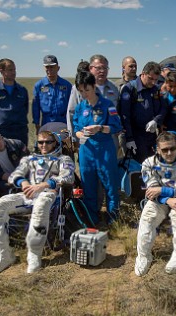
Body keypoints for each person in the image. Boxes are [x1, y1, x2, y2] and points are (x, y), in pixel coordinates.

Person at [0, 131, 75, 275]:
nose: (44, 145)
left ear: (55, 143)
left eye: (48, 142)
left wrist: (44, 185)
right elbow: (15, 175)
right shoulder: (31, 159)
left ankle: (34, 255)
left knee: (41, 204)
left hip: (50, 195)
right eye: (41, 142)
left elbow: (68, 177)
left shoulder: (64, 160)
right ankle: (4, 255)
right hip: (28, 194)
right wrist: (24, 182)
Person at [134, 132, 176, 276]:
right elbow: (152, 191)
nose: (169, 153)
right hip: (163, 199)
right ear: (157, 149)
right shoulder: (148, 164)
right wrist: (167, 199)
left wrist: (163, 190)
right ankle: (144, 256)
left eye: (172, 148)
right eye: (164, 150)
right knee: (148, 216)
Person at [73, 71, 123, 225]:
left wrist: (100, 128)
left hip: (105, 150)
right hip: (86, 151)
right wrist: (79, 134)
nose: (84, 94)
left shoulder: (107, 105)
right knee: (88, 186)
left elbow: (116, 127)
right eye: (80, 91)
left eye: (86, 90)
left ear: (94, 87)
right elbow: (76, 126)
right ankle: (91, 220)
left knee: (110, 186)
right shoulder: (80, 107)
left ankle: (112, 221)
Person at [119, 61, 167, 163]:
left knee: (153, 165)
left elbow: (163, 108)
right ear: (143, 74)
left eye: (156, 79)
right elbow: (124, 115)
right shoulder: (130, 89)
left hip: (151, 135)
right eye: (150, 78)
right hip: (135, 136)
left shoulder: (155, 90)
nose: (153, 82)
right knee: (139, 168)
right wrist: (129, 138)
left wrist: (156, 121)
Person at [67, 55, 120, 144]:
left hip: (109, 140)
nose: (102, 71)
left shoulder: (114, 87)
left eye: (105, 68)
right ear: (90, 68)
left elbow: (117, 111)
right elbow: (71, 113)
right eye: (98, 68)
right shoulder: (78, 88)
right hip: (86, 140)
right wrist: (73, 138)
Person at [0, 58, 30, 146]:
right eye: (10, 70)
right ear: (1, 71)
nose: (13, 72)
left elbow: (26, 108)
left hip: (20, 131)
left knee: (22, 158)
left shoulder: (22, 90)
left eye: (14, 70)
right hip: (3, 132)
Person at [32, 55, 72, 131]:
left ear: (58, 68)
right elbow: (35, 107)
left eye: (52, 67)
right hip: (46, 123)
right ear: (44, 68)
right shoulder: (39, 86)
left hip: (63, 123)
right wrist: (37, 124)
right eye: (47, 67)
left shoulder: (67, 85)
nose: (49, 69)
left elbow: (72, 107)